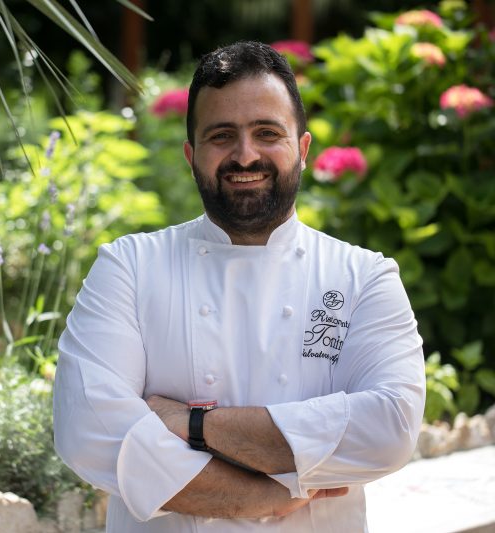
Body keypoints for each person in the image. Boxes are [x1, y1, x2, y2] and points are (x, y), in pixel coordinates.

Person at [52, 41, 425, 532]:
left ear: (303, 149)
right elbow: (88, 429)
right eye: (221, 135)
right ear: (191, 155)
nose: (245, 155)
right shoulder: (129, 267)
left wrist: (192, 425)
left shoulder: (364, 277)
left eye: (267, 133)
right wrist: (259, 497)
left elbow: (391, 427)